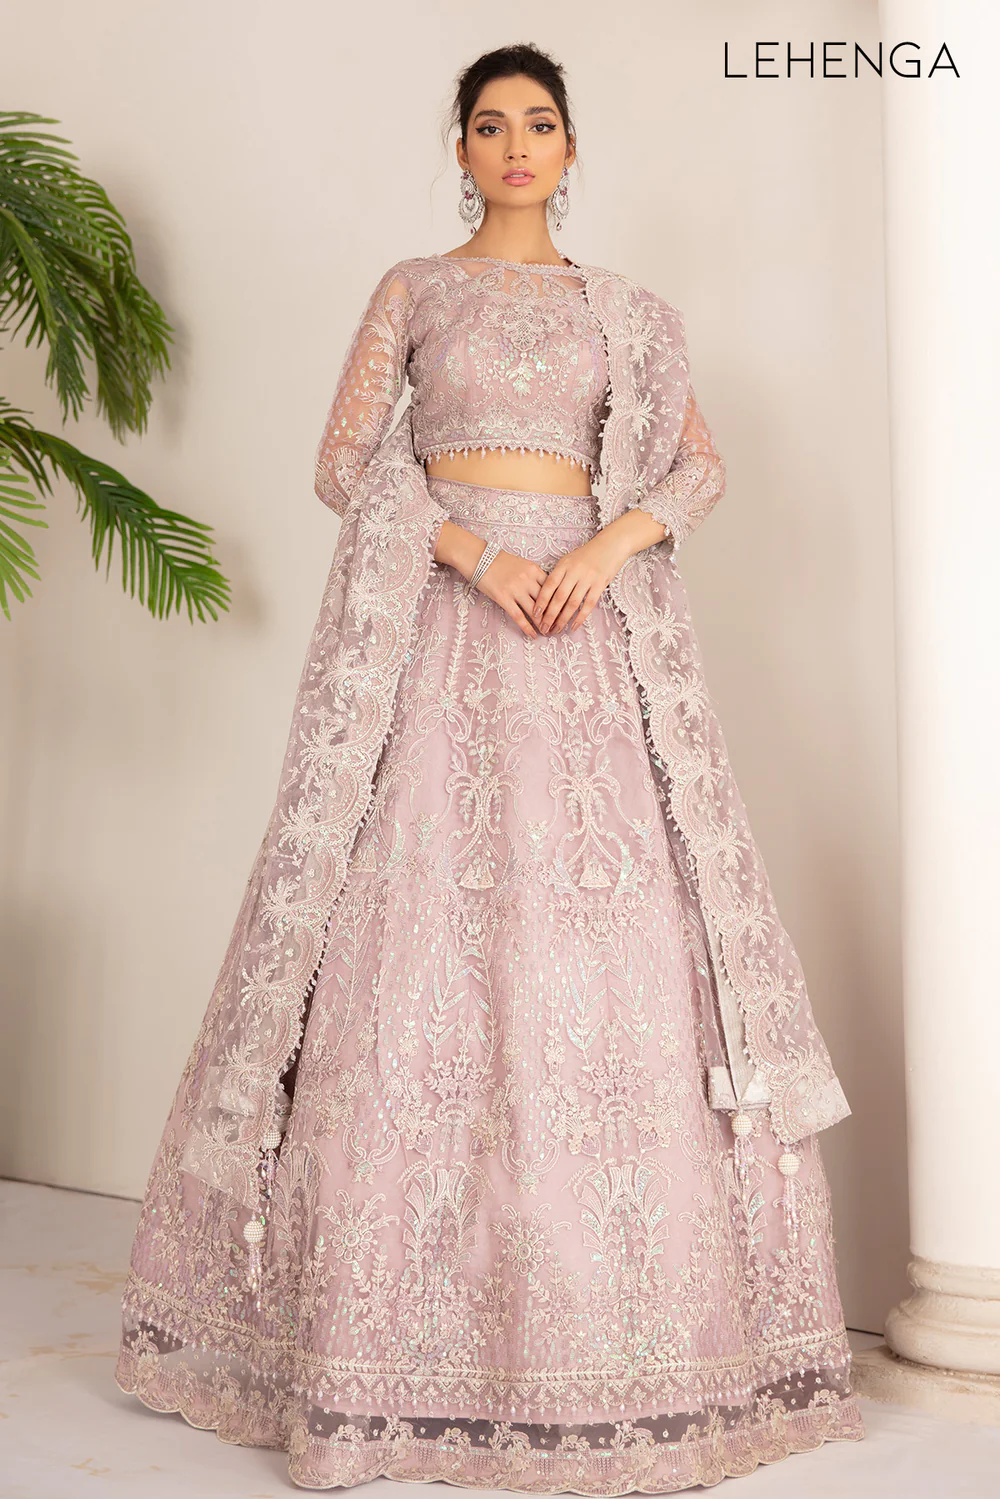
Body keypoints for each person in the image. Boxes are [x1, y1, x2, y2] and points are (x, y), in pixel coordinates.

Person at [116, 42, 865, 1493]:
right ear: (458, 150)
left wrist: (601, 547)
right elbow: (347, 460)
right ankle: (381, 1343)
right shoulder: (415, 289)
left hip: (582, 637)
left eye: (540, 122)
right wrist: (472, 553)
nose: (516, 143)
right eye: (489, 124)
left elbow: (696, 468)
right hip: (446, 634)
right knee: (411, 937)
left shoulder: (630, 314)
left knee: (600, 939)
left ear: (571, 148)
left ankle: (614, 1324)